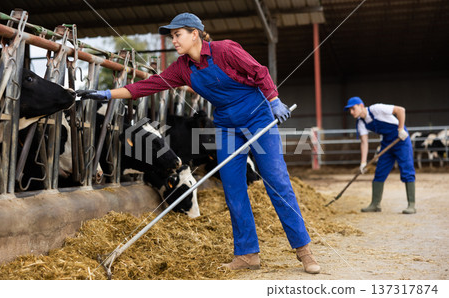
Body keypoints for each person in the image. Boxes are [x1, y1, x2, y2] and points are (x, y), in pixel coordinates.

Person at [77, 12, 320, 274]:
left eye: (177, 35)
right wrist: (107, 94)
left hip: (258, 119)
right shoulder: (182, 68)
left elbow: (259, 72)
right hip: (227, 126)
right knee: (233, 188)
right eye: (171, 36)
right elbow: (148, 86)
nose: (174, 41)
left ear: (195, 34)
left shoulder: (224, 50)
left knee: (277, 181)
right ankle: (247, 254)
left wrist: (273, 100)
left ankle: (304, 251)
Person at [344, 96, 416, 214]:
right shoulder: (361, 122)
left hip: (401, 139)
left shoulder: (376, 109)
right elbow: (364, 142)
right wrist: (363, 163)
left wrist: (401, 129)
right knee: (380, 172)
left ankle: (411, 205)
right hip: (387, 143)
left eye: (353, 109)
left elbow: (400, 110)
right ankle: (375, 204)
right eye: (350, 110)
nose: (351, 112)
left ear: (361, 106)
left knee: (407, 170)